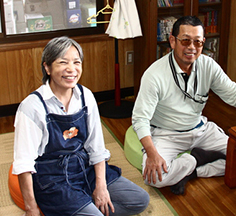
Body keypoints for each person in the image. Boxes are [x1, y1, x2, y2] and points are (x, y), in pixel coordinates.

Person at [132, 16, 236, 195]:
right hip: (166, 134)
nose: (192, 48)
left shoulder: (208, 65)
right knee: (155, 179)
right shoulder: (154, 74)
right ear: (172, 41)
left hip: (200, 130)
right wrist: (152, 153)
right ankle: (196, 159)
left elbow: (235, 93)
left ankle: (192, 172)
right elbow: (140, 119)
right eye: (185, 40)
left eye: (198, 42)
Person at [13, 36, 149, 216]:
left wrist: (101, 187)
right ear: (47, 67)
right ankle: (82, 207)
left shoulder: (86, 96)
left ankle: (84, 205)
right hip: (53, 178)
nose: (72, 69)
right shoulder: (32, 107)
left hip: (84, 167)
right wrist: (31, 209)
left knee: (139, 200)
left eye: (77, 62)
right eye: (63, 62)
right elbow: (24, 163)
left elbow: (96, 146)